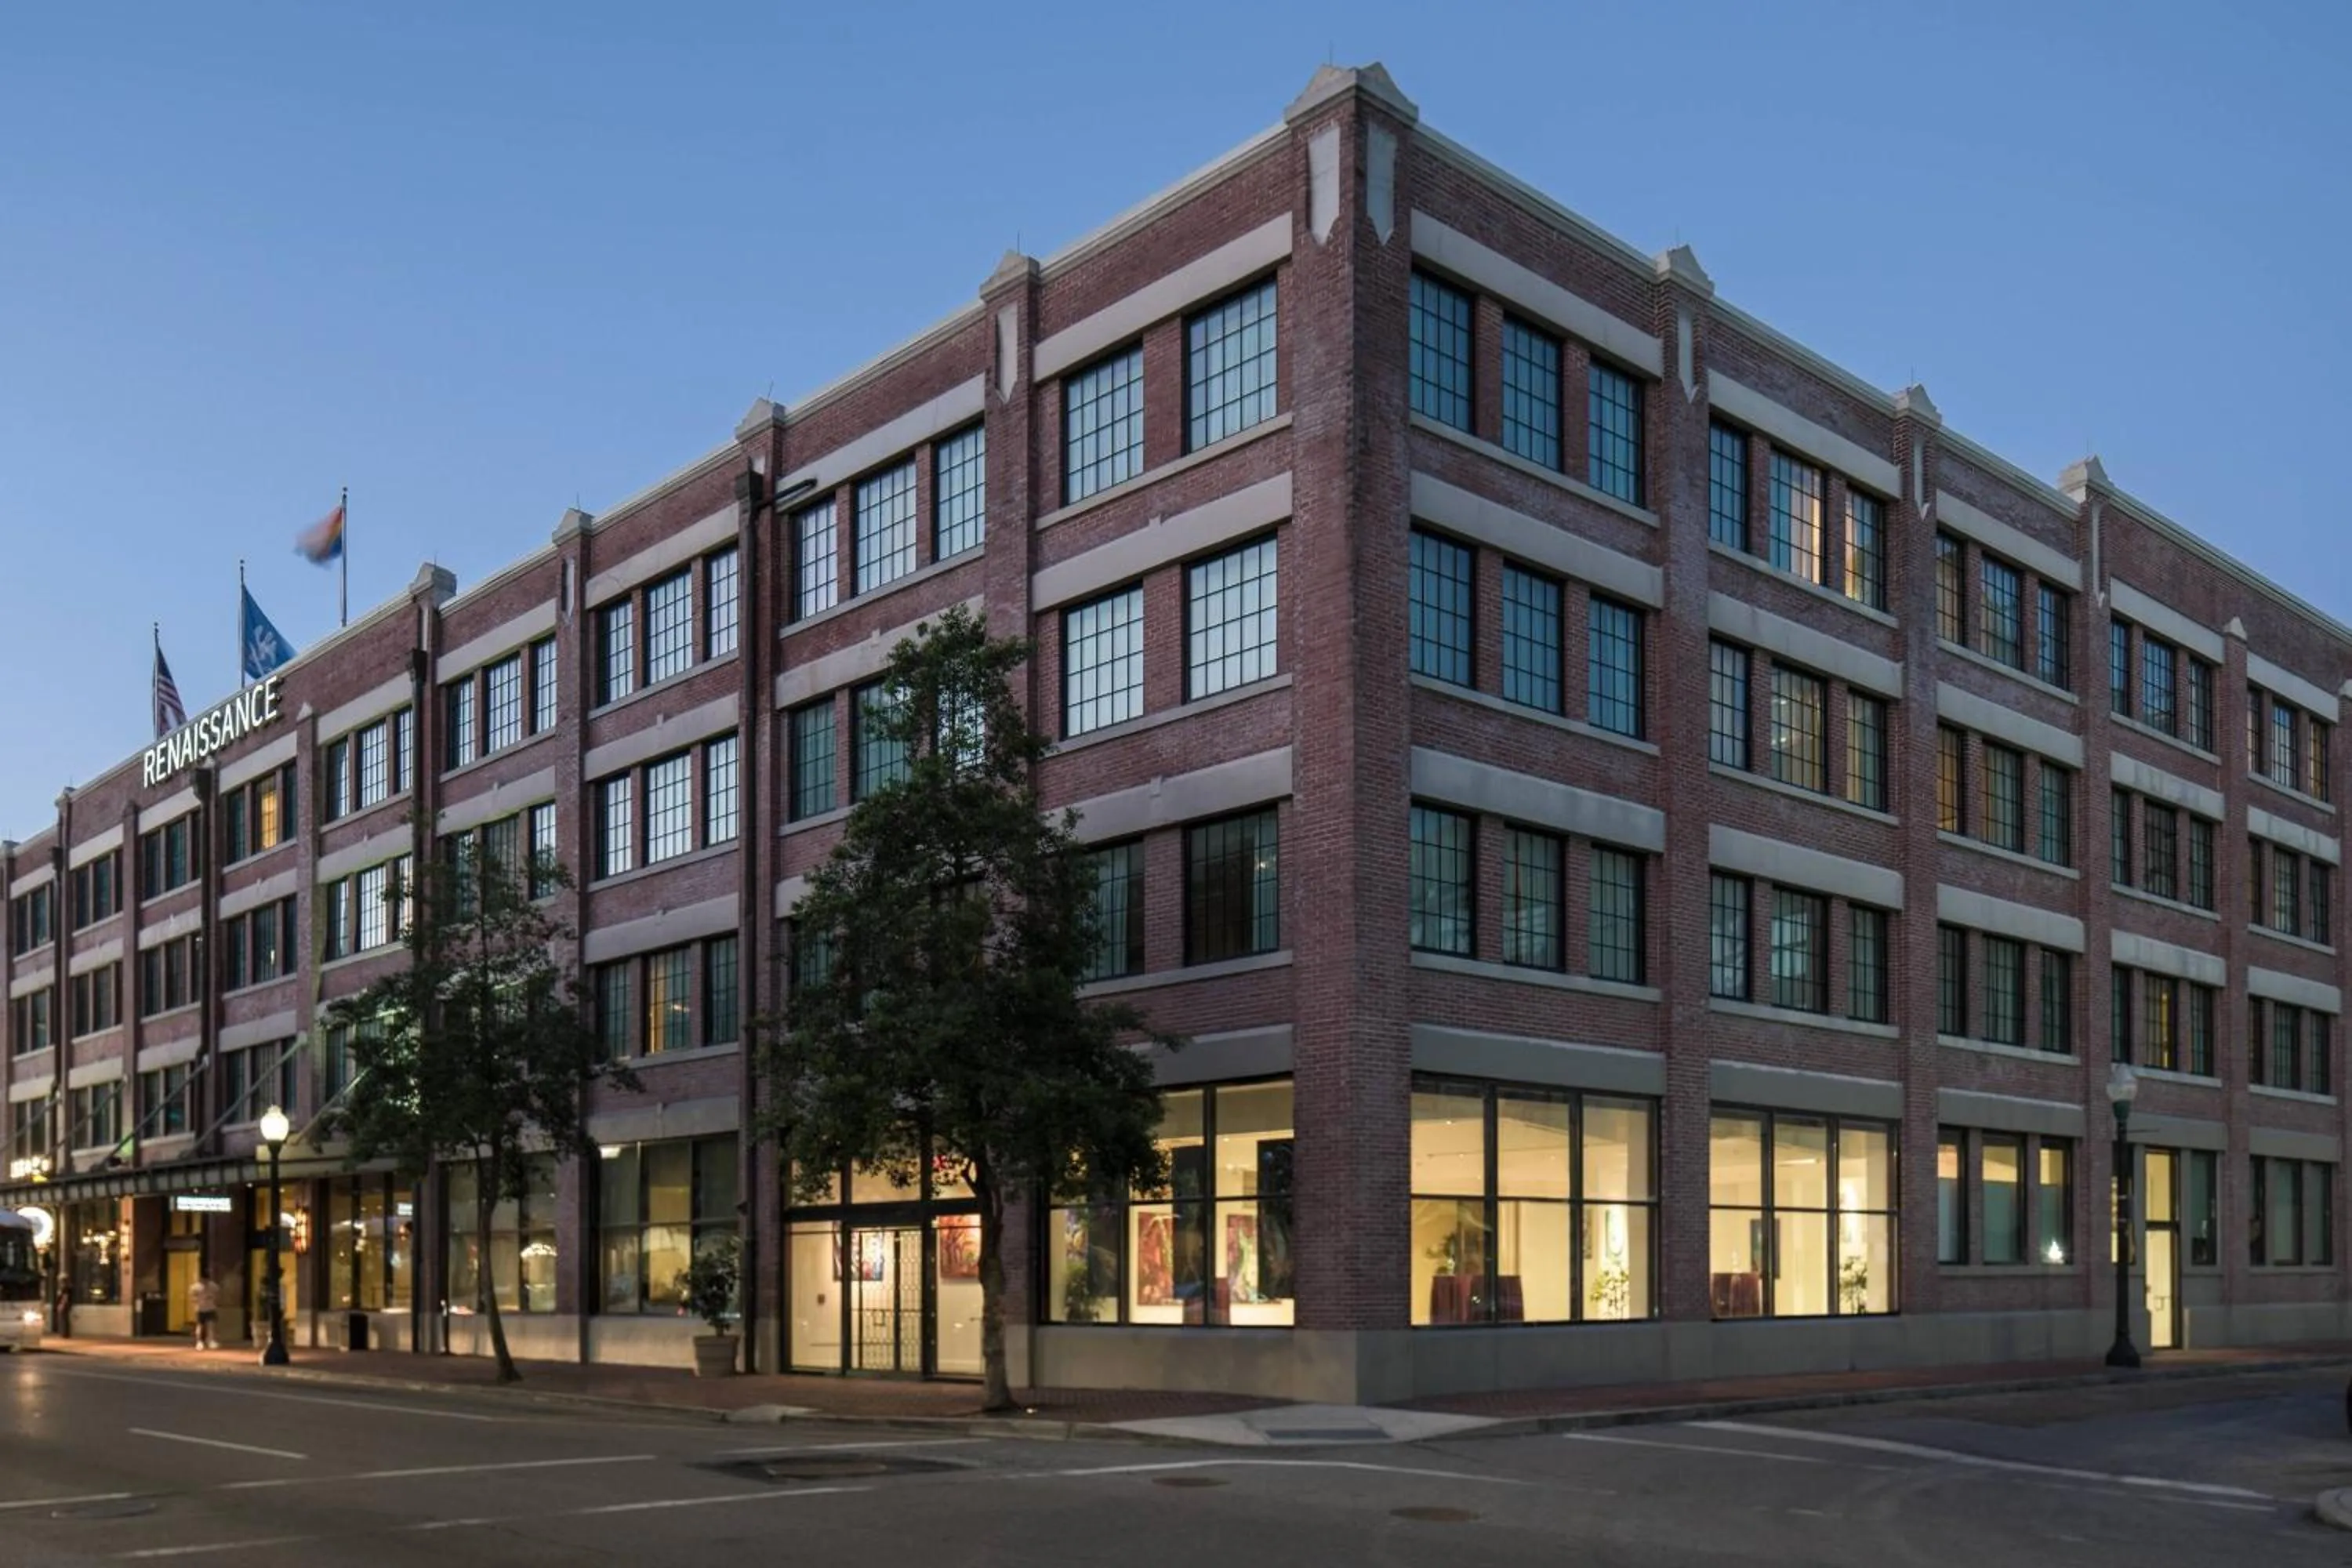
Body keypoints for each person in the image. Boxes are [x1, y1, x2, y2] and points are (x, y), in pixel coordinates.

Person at [190, 1272, 220, 1351]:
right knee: (200, 1326)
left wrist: (213, 1301)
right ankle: (199, 1342)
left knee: (211, 1325)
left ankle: (211, 1341)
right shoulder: (195, 1287)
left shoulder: (213, 1286)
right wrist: (198, 1302)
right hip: (200, 1309)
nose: (205, 1282)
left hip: (211, 1308)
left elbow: (217, 1295)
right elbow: (192, 1298)